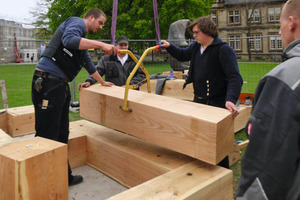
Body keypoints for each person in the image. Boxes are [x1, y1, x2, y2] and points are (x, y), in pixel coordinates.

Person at [31, 8, 117, 186]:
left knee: (62, 133)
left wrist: (101, 82)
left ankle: (63, 176)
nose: (101, 27)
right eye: (100, 22)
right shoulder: (76, 22)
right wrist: (101, 45)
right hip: (48, 84)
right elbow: (68, 40)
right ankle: (41, 184)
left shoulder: (82, 40)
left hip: (59, 85)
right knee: (47, 134)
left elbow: (87, 62)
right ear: (91, 18)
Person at [236, 1, 300, 199]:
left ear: (291, 23)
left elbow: (262, 176)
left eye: (279, 25)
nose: (279, 33)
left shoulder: (285, 79)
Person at [160, 16, 243, 169]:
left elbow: (235, 77)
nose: (194, 35)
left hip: (217, 104)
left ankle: (221, 174)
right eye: (193, 32)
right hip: (199, 101)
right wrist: (169, 46)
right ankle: (202, 169)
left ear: (207, 31)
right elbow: (182, 54)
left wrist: (230, 99)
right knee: (199, 139)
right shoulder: (196, 47)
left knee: (218, 144)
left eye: (196, 32)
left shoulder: (224, 50)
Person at [78, 35, 145, 89]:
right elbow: (98, 71)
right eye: (121, 45)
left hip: (131, 91)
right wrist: (89, 81)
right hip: (112, 92)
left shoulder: (135, 59)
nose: (124, 47)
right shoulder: (107, 59)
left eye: (125, 45)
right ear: (116, 45)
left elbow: (142, 75)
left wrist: (128, 85)